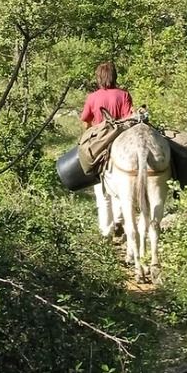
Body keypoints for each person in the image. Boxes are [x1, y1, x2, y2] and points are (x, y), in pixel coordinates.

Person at [80, 60, 134, 240]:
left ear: (99, 78)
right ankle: (119, 220)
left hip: (99, 145)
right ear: (114, 77)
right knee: (121, 187)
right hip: (120, 142)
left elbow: (86, 121)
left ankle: (106, 231)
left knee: (101, 191)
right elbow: (128, 119)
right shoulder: (124, 95)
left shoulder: (93, 97)